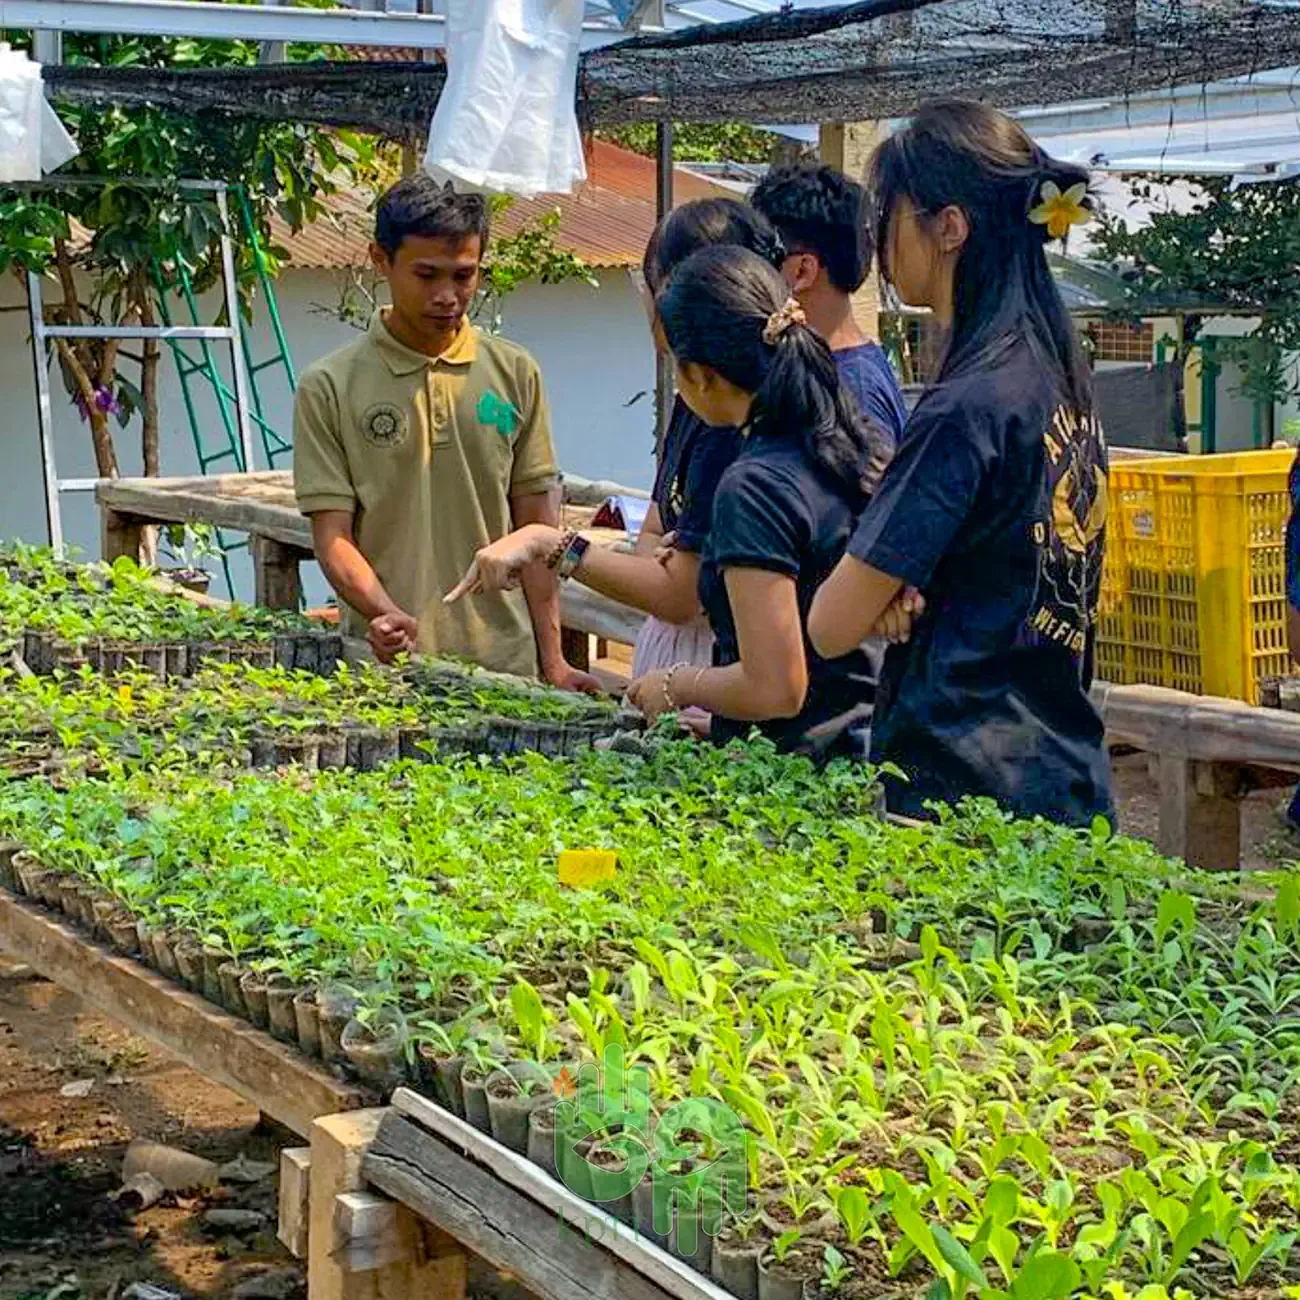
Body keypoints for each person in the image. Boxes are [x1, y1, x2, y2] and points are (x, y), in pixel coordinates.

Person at [807, 99, 1113, 825]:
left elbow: (830, 624)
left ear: (949, 227)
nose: (879, 240)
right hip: (1063, 775)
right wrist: (903, 579)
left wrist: (885, 587)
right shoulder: (1056, 377)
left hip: (962, 793)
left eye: (889, 215)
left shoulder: (965, 406)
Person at [444, 200, 785, 712]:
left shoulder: (731, 431)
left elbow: (681, 595)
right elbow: (656, 532)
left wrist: (553, 545)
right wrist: (662, 567)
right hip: (685, 671)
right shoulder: (701, 403)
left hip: (714, 680)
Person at [293, 175, 596, 691]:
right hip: (386, 672)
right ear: (380, 259)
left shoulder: (515, 373)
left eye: (463, 275)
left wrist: (554, 662)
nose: (447, 296)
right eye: (426, 274)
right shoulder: (330, 386)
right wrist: (384, 614)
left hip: (507, 670)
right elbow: (333, 539)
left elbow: (538, 531)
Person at [625, 245, 893, 753]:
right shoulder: (855, 443)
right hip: (869, 747)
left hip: (801, 769)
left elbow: (776, 688)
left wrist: (677, 684)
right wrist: (723, 724)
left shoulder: (754, 487)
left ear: (701, 375)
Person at [750, 160, 909, 445]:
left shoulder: (853, 391)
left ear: (803, 271)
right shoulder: (834, 372)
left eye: (762, 256)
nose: (749, 272)